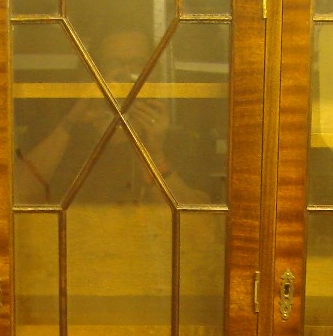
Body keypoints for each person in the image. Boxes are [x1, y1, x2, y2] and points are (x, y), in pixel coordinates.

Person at [14, 26, 207, 205]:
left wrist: (154, 155)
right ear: (92, 74)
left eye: (138, 65)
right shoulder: (57, 137)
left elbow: (199, 231)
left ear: (154, 76)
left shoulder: (182, 143)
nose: (125, 75)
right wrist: (72, 119)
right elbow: (14, 201)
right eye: (114, 64)